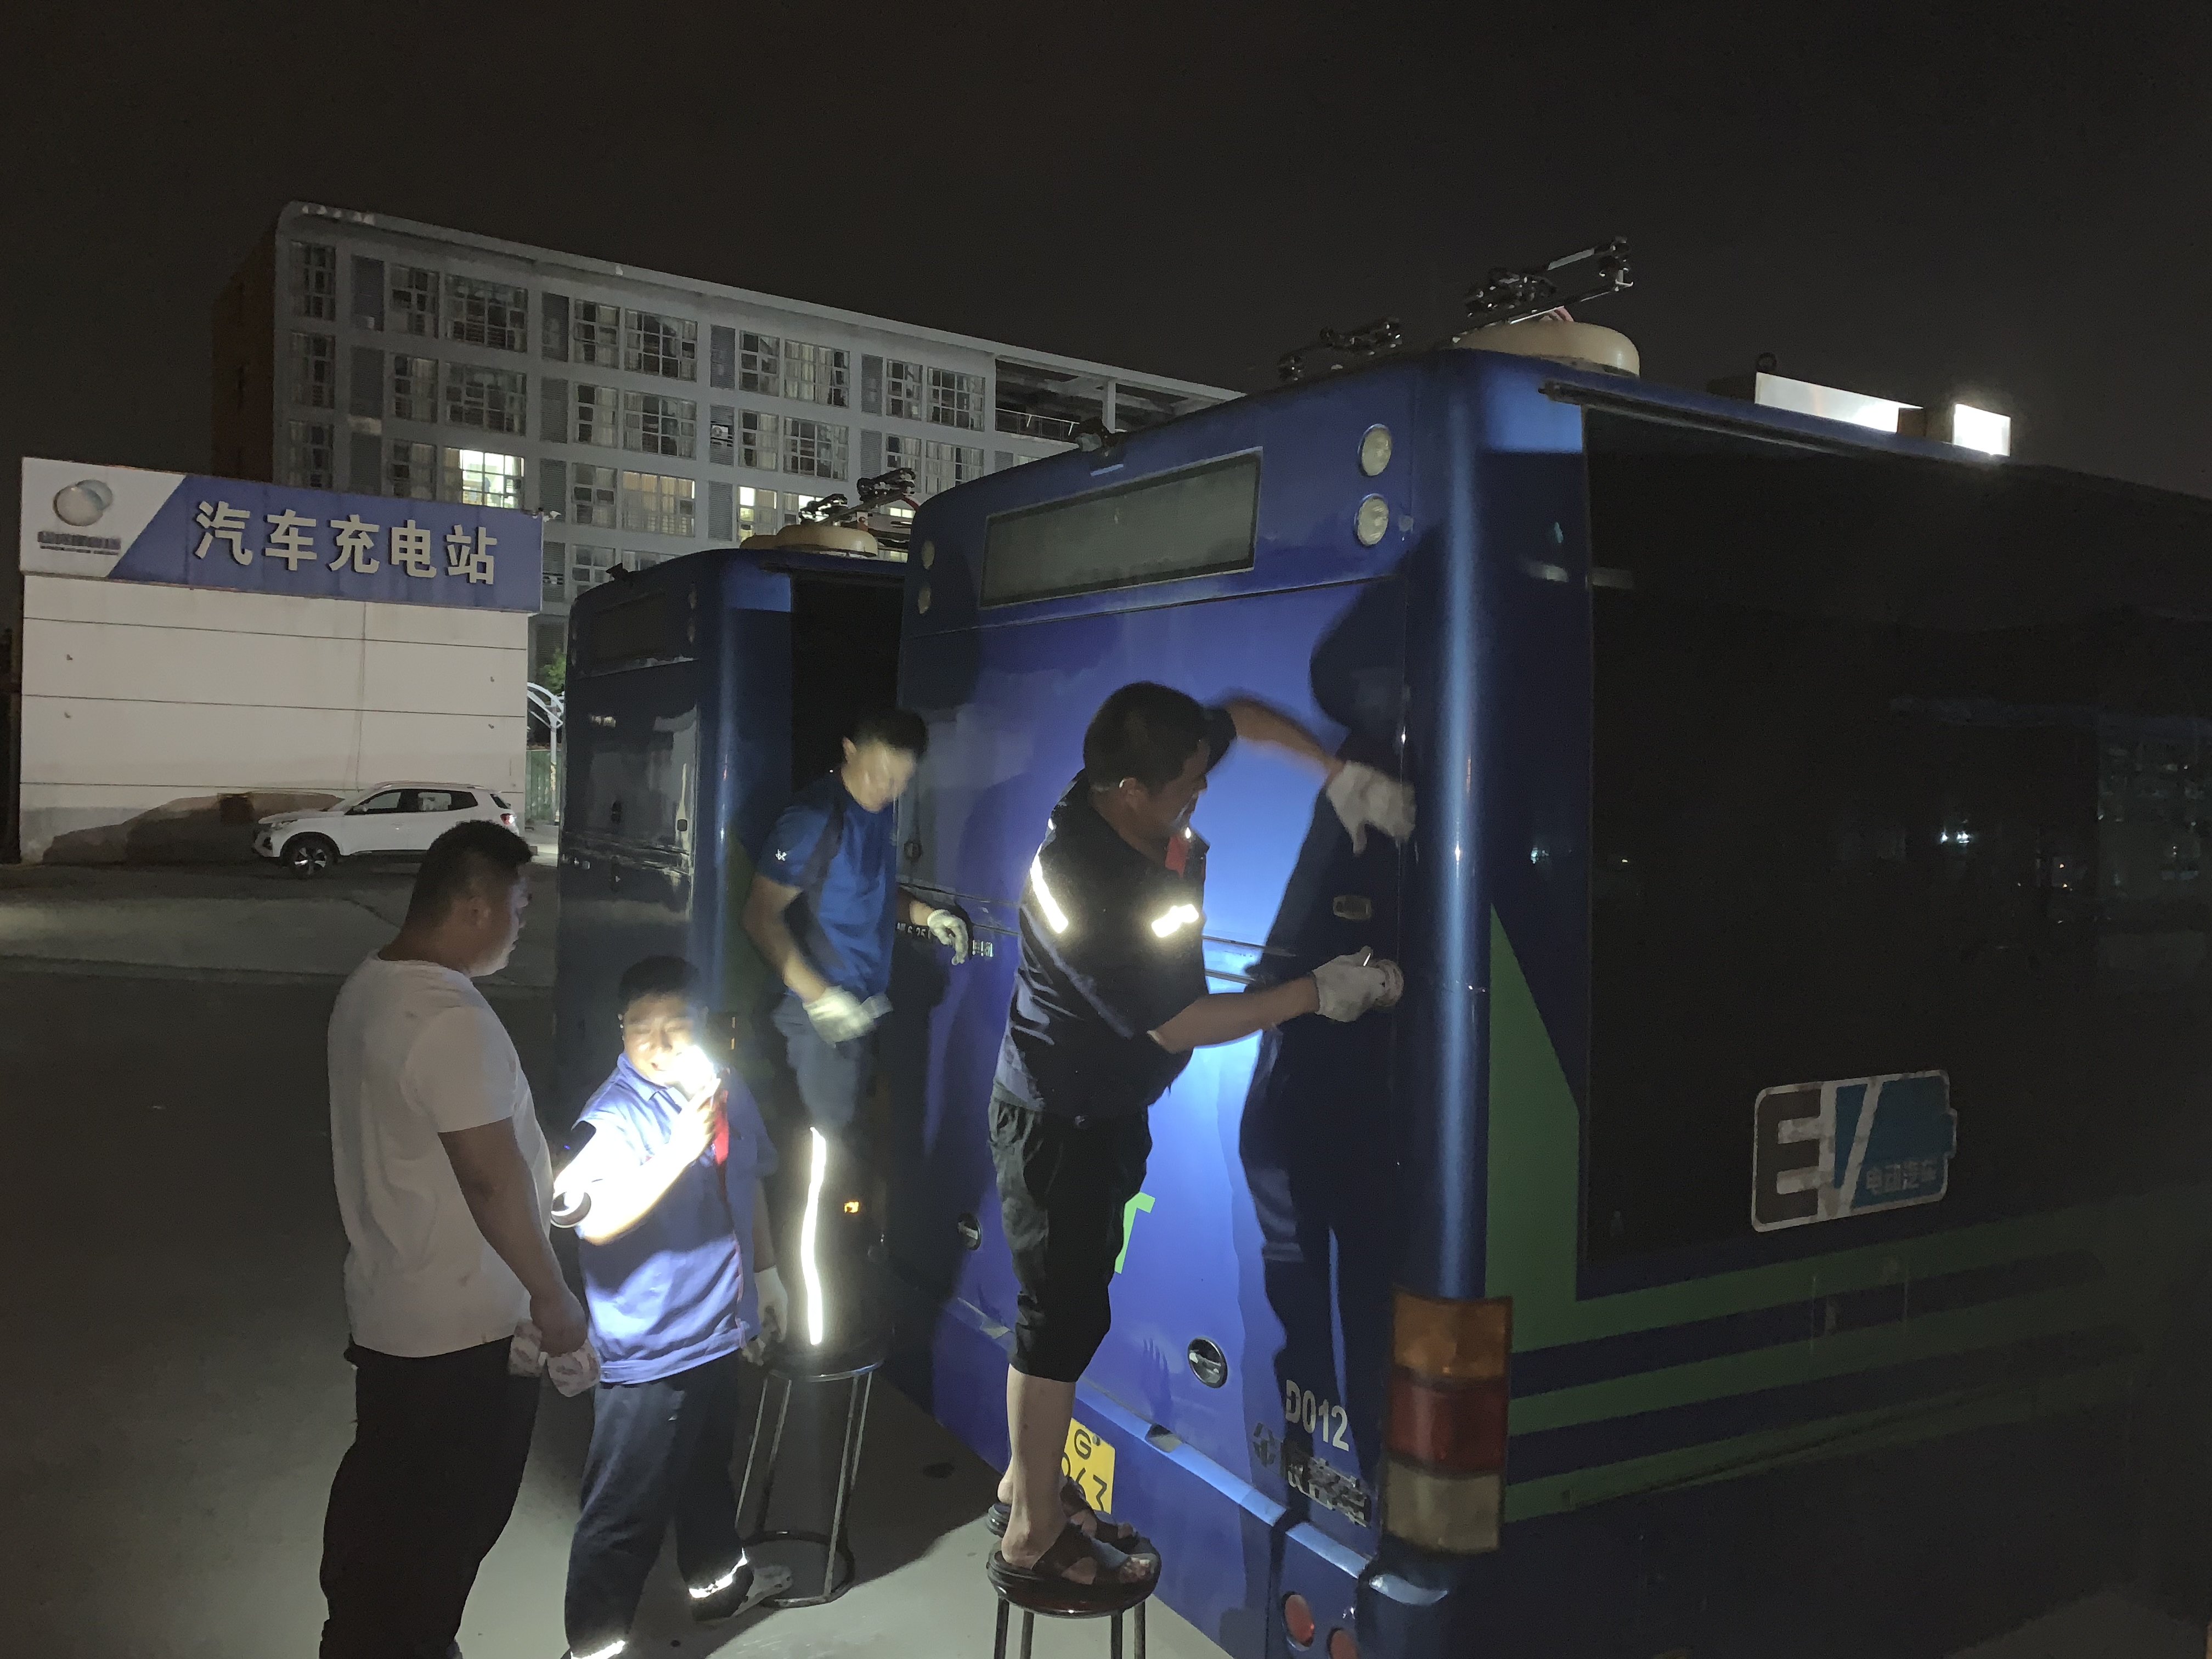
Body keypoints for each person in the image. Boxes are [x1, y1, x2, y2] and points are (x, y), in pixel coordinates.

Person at [987, 683, 1413, 1602]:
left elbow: (1241, 719)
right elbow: (1180, 1020)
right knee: (1057, 1320)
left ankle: (1029, 1484)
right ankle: (1030, 1531)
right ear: (1130, 790)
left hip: (1099, 1111)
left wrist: (1338, 776)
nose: (1201, 789)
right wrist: (1319, 991)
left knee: (1068, 1310)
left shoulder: (1141, 772)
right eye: (1187, 784)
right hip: (1059, 1123)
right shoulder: (1085, 884)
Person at [320, 820, 585, 1659]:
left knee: (386, 1523)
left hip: (397, 1312)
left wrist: (543, 1173)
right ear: (475, 907)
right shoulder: (447, 1019)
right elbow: (487, 1179)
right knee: (443, 1533)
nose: (522, 925)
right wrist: (553, 1298)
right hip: (461, 1337)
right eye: (520, 907)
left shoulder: (374, 983)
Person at [551, 956, 793, 1658]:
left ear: (705, 1025)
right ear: (620, 1030)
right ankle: (591, 1648)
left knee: (707, 1473)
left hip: (719, 1329)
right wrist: (678, 1152)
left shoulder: (724, 1088)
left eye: (676, 1026)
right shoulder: (612, 1116)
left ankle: (721, 1589)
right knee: (623, 1510)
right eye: (640, 1029)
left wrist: (769, 1276)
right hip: (652, 1349)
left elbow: (749, 1179)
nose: (657, 1046)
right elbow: (592, 1219)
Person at [742, 707, 966, 1351]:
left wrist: (926, 914)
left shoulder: (876, 816)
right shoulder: (815, 816)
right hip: (814, 1022)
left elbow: (870, 893)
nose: (888, 789)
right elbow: (760, 916)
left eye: (901, 780)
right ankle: (807, 1331)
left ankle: (830, 1308)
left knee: (842, 1162)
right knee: (819, 1171)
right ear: (848, 751)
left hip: (856, 1016)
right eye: (879, 773)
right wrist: (822, 998)